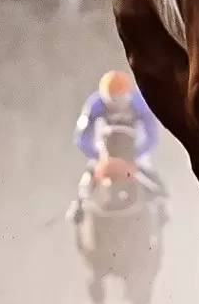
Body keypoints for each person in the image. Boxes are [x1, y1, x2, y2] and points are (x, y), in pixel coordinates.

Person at [66, 70, 166, 223]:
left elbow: (152, 135)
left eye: (119, 99)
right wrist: (96, 155)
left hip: (134, 148)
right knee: (88, 175)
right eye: (111, 100)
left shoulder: (139, 103)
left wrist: (138, 152)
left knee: (148, 171)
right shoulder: (94, 105)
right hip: (105, 149)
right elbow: (81, 137)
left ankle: (161, 204)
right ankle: (78, 205)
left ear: (127, 94)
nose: (116, 104)